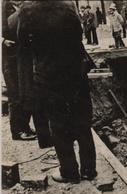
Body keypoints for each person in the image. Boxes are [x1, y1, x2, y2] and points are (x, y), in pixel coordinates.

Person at [18, 0, 97, 183]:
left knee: (58, 123)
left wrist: (27, 91)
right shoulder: (68, 6)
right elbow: (79, 37)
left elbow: (24, 51)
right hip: (75, 73)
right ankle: (88, 169)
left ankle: (69, 171)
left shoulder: (28, 11)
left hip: (48, 75)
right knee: (82, 120)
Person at [2, 0, 37, 141]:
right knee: (15, 93)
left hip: (23, 54)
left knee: (26, 90)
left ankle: (25, 126)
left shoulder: (23, 4)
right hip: (9, 55)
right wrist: (2, 41)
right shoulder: (3, 5)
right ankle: (17, 131)